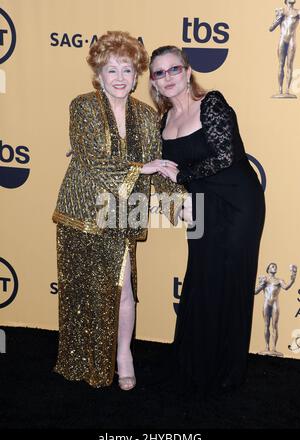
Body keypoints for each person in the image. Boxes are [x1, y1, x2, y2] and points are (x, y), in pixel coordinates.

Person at [52, 32, 187, 391]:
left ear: (137, 74)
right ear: (98, 73)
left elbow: (158, 168)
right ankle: (79, 358)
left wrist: (183, 202)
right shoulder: (82, 106)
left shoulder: (145, 114)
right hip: (81, 214)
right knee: (82, 293)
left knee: (123, 290)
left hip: (120, 217)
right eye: (111, 70)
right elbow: (91, 158)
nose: (119, 78)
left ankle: (123, 355)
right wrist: (139, 168)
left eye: (126, 70)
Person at [150, 45, 266, 396]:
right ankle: (194, 362)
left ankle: (226, 371)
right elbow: (168, 175)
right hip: (200, 206)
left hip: (237, 203)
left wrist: (181, 173)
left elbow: (226, 156)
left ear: (187, 72)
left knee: (231, 280)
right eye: (159, 73)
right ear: (154, 83)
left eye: (173, 69)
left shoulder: (211, 102)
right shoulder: (162, 121)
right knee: (201, 277)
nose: (167, 77)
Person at [255, 263, 297, 356]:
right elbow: (255, 292)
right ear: (268, 269)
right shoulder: (264, 279)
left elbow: (286, 287)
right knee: (266, 325)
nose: (275, 267)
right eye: (272, 266)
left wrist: (293, 279)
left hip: (275, 304)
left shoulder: (279, 280)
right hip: (266, 303)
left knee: (274, 325)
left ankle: (273, 348)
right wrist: (261, 284)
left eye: (275, 266)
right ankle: (267, 347)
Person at [269, 0, 300, 98]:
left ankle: (287, 90)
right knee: (281, 64)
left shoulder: (298, 12)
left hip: (292, 40)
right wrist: (279, 18)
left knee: (289, 65)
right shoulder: (281, 11)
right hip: (282, 40)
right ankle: (280, 90)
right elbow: (271, 28)